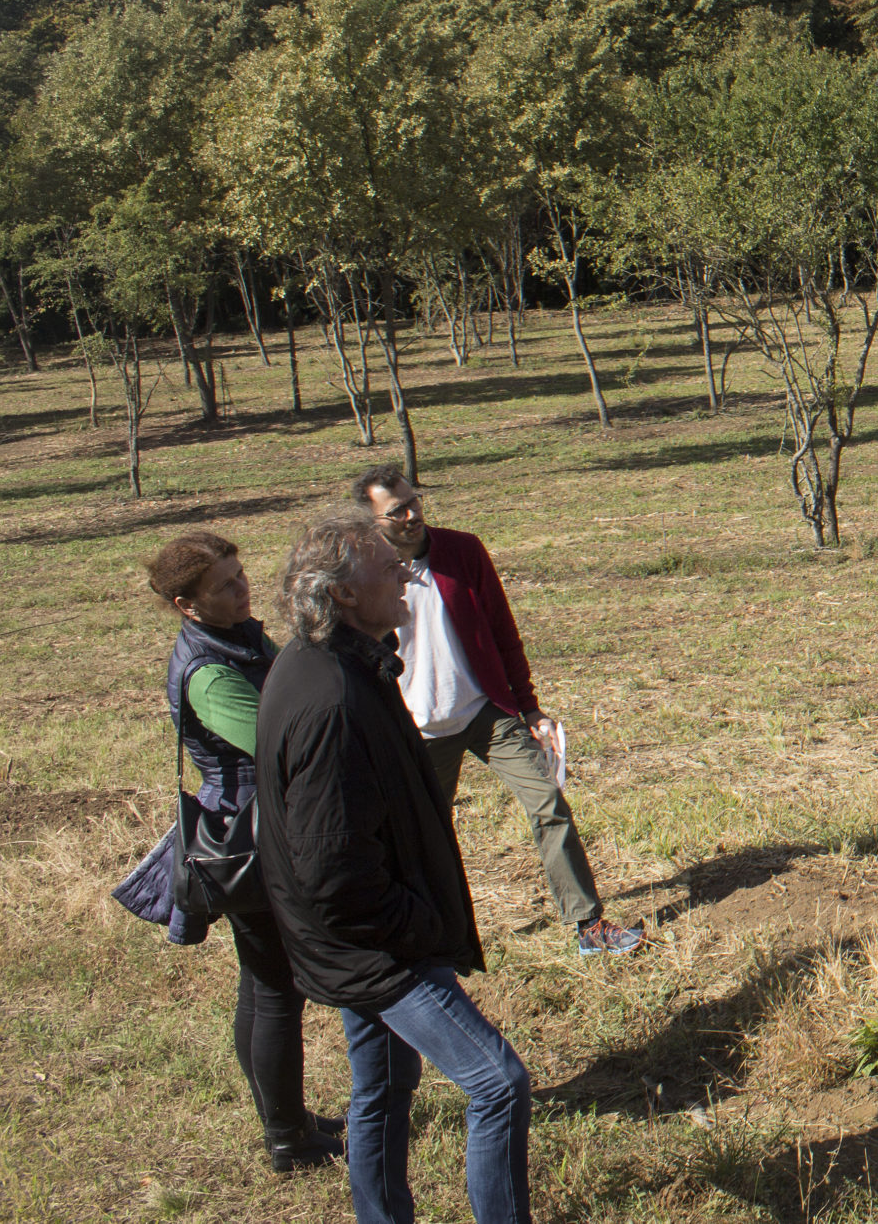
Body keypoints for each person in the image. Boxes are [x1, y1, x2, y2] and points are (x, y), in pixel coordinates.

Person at [257, 507, 534, 1224]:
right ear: (342, 593)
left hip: (349, 939)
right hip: (374, 946)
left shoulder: (329, 660)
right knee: (497, 1081)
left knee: (381, 1082)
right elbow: (332, 872)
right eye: (388, 565)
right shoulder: (332, 701)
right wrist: (419, 924)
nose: (407, 571)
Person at [352, 464, 644, 958]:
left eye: (414, 501)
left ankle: (588, 925)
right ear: (373, 523)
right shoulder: (364, 572)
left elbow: (502, 630)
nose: (411, 514)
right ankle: (427, 939)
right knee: (424, 839)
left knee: (549, 805)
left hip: (486, 712)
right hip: (416, 730)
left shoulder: (462, 551)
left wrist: (528, 708)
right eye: (396, 510)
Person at [146, 531, 343, 1173]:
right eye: (225, 585)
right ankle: (288, 1137)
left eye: (240, 574)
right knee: (275, 986)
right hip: (245, 840)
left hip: (262, 827)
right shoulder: (207, 671)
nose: (242, 588)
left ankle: (284, 1122)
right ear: (187, 605)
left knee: (263, 985)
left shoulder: (236, 637)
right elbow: (279, 739)